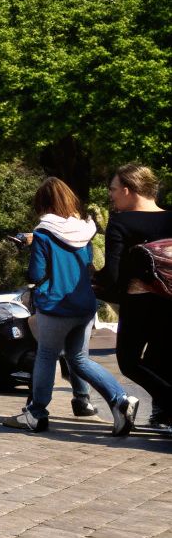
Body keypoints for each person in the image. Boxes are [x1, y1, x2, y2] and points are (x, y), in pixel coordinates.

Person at [4, 177, 140, 436]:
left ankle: (36, 413)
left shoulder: (43, 234)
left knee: (46, 356)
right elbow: (88, 267)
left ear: (42, 204)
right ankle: (120, 400)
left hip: (55, 306)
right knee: (79, 358)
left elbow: (35, 274)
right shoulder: (85, 232)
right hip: (84, 305)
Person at [103, 163, 172, 433]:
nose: (111, 195)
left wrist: (97, 283)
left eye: (113, 189)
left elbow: (112, 274)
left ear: (128, 190)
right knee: (162, 360)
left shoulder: (121, 222)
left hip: (139, 302)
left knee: (129, 362)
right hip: (169, 301)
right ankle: (164, 418)